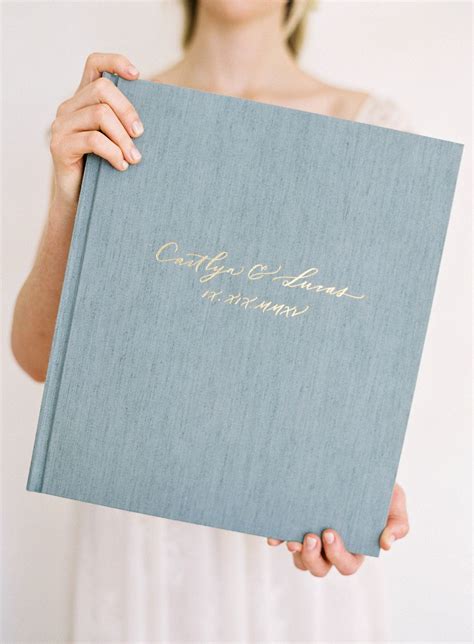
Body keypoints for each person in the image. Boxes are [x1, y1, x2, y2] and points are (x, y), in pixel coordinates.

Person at [11, 0, 411, 640]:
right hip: (140, 532)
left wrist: (360, 481)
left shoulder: (373, 129)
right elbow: (36, 357)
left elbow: (360, 364)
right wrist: (68, 196)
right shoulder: (113, 116)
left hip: (289, 533)